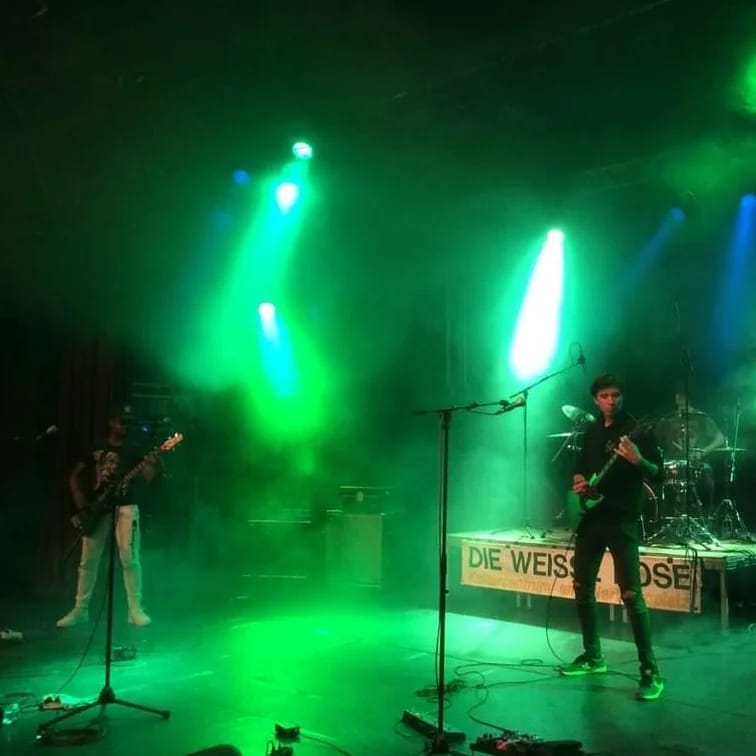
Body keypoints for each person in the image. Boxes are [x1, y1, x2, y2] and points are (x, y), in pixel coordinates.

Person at [559, 373, 664, 701]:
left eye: (616, 394)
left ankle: (650, 671)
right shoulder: (591, 431)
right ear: (595, 400)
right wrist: (579, 481)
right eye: (604, 395)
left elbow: (658, 472)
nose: (611, 400)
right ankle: (593, 657)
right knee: (581, 585)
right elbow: (579, 466)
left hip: (622, 518)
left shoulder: (637, 430)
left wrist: (638, 460)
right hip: (592, 517)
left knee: (631, 593)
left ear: (623, 397)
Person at [56, 404, 157, 628]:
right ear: (112, 422)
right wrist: (80, 503)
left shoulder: (135, 448)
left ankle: (135, 609)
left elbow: (150, 478)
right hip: (98, 506)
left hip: (126, 506)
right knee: (88, 560)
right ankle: (80, 609)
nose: (125, 426)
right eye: (121, 421)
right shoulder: (97, 447)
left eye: (128, 422)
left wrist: (151, 463)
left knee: (130, 558)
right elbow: (74, 475)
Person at [656, 389, 725, 512]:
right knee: (657, 479)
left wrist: (703, 452)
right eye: (678, 394)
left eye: (682, 394)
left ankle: (705, 517)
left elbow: (720, 438)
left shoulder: (702, 418)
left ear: (689, 397)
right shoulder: (668, 419)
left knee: (707, 480)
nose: (679, 397)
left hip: (698, 464)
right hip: (673, 464)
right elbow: (654, 441)